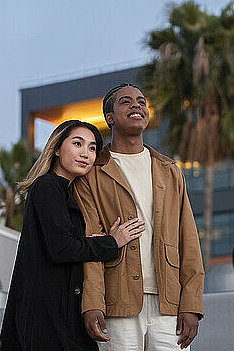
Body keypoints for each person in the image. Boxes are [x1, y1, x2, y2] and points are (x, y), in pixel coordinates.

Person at [72, 84, 205, 351]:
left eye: (141, 101)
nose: (136, 106)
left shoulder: (170, 171)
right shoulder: (92, 174)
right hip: (117, 301)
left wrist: (191, 304)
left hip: (169, 303)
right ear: (109, 117)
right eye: (126, 102)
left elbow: (188, 240)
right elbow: (91, 244)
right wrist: (93, 303)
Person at [0, 120, 145, 351]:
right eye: (78, 144)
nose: (85, 153)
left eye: (92, 148)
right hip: (46, 317)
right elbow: (63, 248)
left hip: (62, 313)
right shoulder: (47, 186)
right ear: (57, 148)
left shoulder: (67, 192)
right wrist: (112, 242)